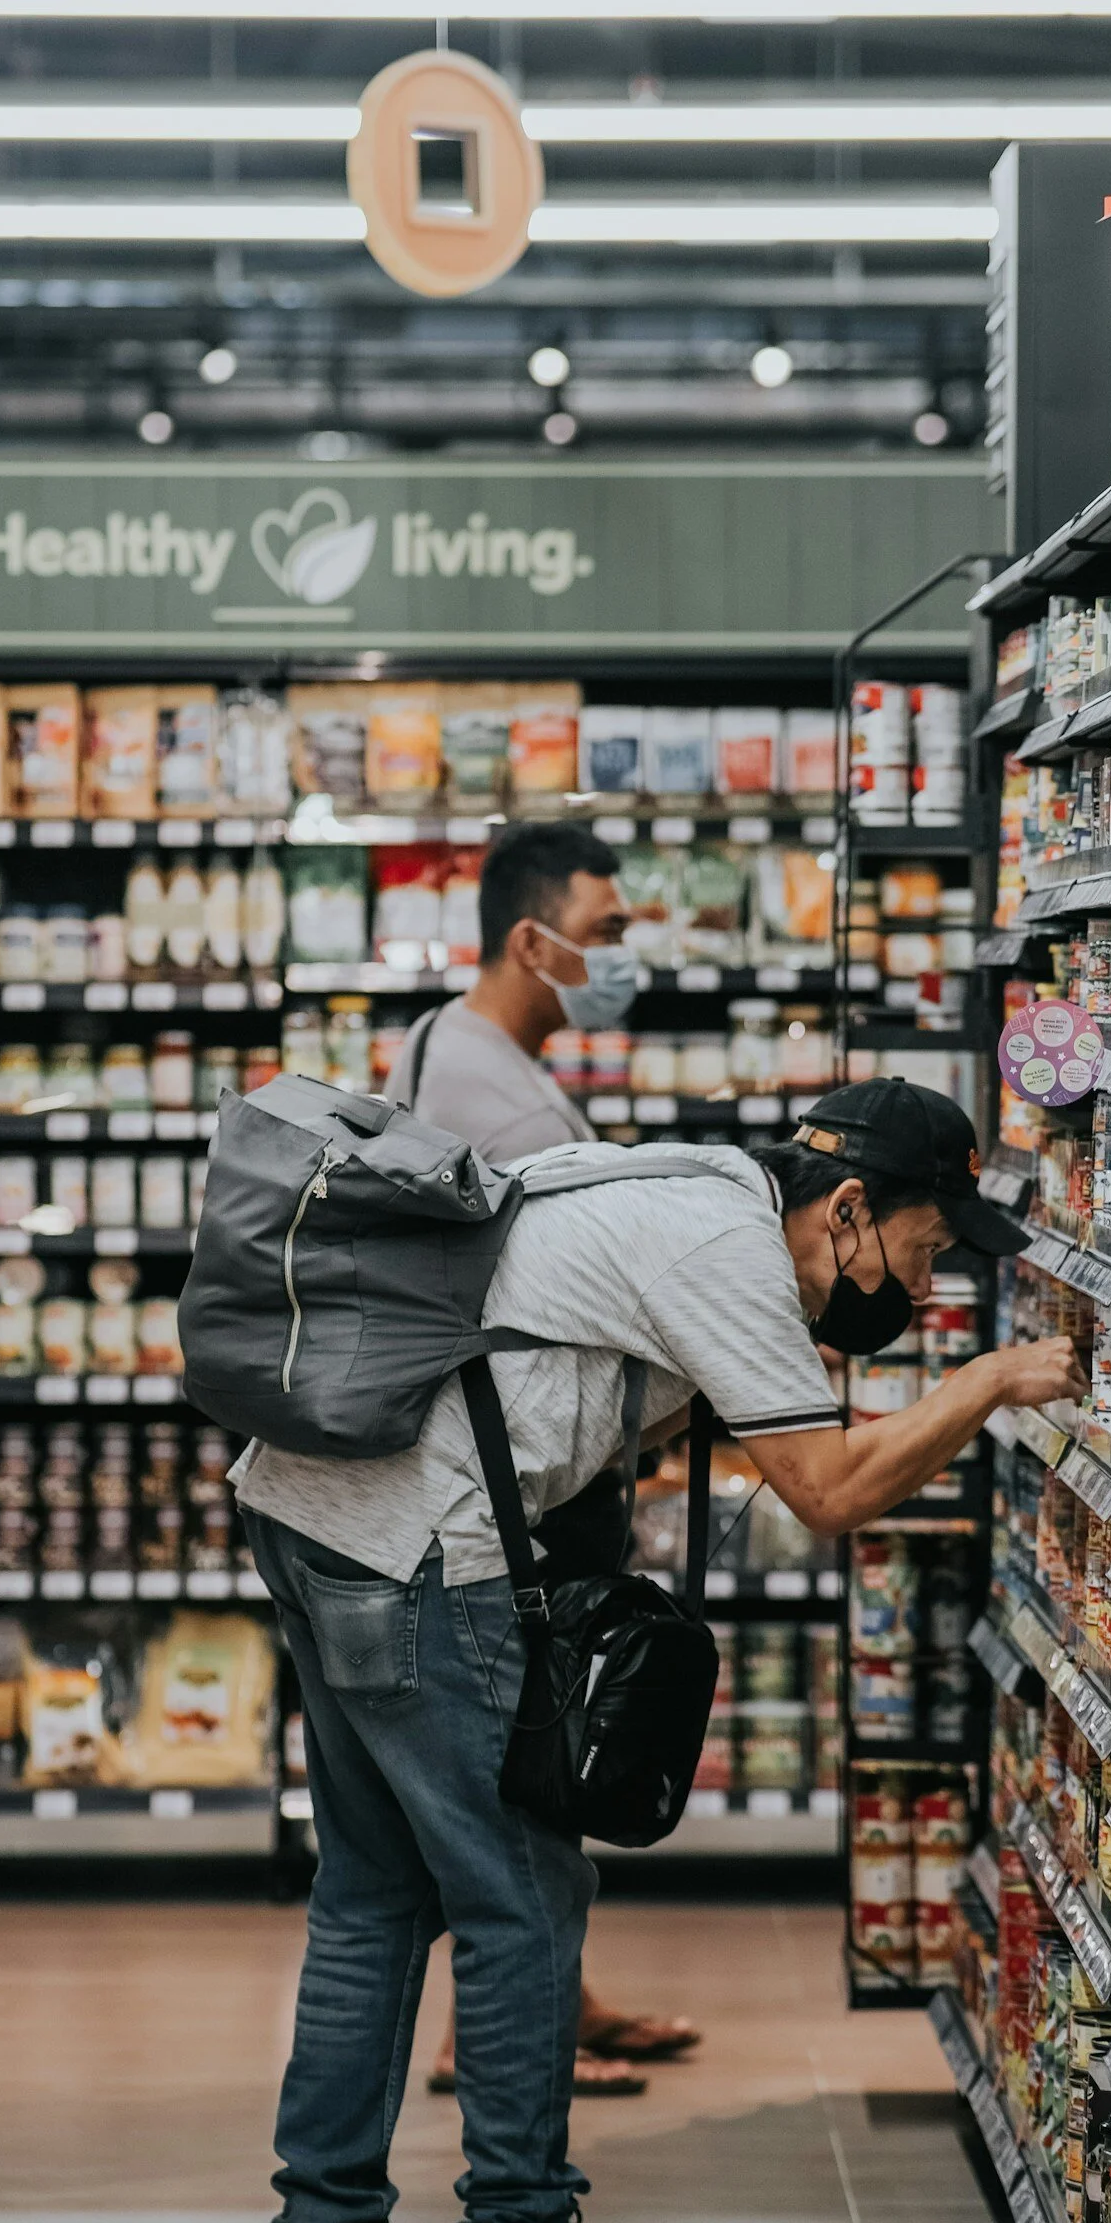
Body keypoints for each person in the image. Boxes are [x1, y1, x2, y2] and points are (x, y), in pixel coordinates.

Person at [240, 1071, 1083, 2223]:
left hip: (309, 1515)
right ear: (847, 1209)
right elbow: (830, 1490)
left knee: (374, 1890)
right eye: (924, 1249)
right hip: (421, 1553)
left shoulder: (689, 1179)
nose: (921, 1289)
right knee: (521, 1896)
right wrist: (984, 1384)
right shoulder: (726, 1249)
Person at [388, 822, 701, 2100]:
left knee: (519, 1769)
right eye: (609, 930)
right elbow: (578, 1300)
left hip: (468, 1462)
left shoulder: (444, 1041)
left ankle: (557, 2001)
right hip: (511, 1482)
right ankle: (504, 2040)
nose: (623, 955)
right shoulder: (507, 1096)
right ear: (535, 939)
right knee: (532, 1762)